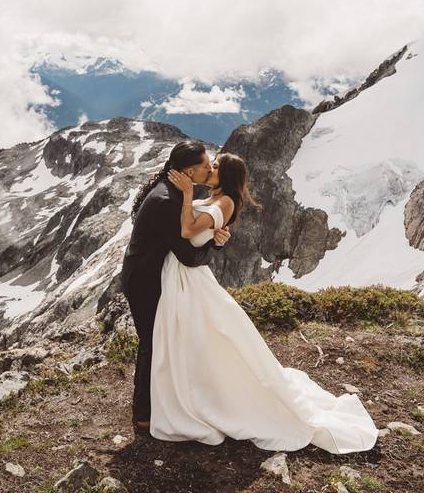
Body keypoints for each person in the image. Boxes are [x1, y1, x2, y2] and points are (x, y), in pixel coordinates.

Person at [150, 152, 378, 454]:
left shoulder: (225, 202)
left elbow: (188, 231)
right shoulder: (218, 200)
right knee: (196, 340)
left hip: (189, 281)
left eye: (215, 167)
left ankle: (204, 399)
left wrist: (189, 194)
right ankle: (196, 392)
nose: (210, 169)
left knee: (204, 339)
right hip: (181, 277)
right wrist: (212, 234)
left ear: (227, 175)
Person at [121, 141, 231, 433]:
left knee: (160, 340)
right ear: (187, 171)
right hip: (145, 279)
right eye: (206, 166)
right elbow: (188, 255)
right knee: (151, 342)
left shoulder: (169, 193)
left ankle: (160, 402)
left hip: (148, 274)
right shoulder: (167, 201)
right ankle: (143, 414)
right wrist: (214, 244)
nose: (210, 170)